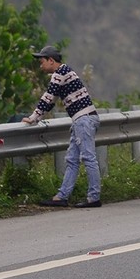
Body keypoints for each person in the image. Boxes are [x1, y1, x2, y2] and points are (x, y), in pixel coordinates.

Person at [23, 46, 102, 208]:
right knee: (72, 159)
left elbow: (48, 98)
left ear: (51, 61)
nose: (40, 65)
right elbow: (51, 100)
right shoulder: (65, 71)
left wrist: (33, 118)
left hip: (83, 119)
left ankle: (94, 197)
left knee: (88, 158)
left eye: (42, 61)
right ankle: (62, 196)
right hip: (81, 119)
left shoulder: (60, 74)